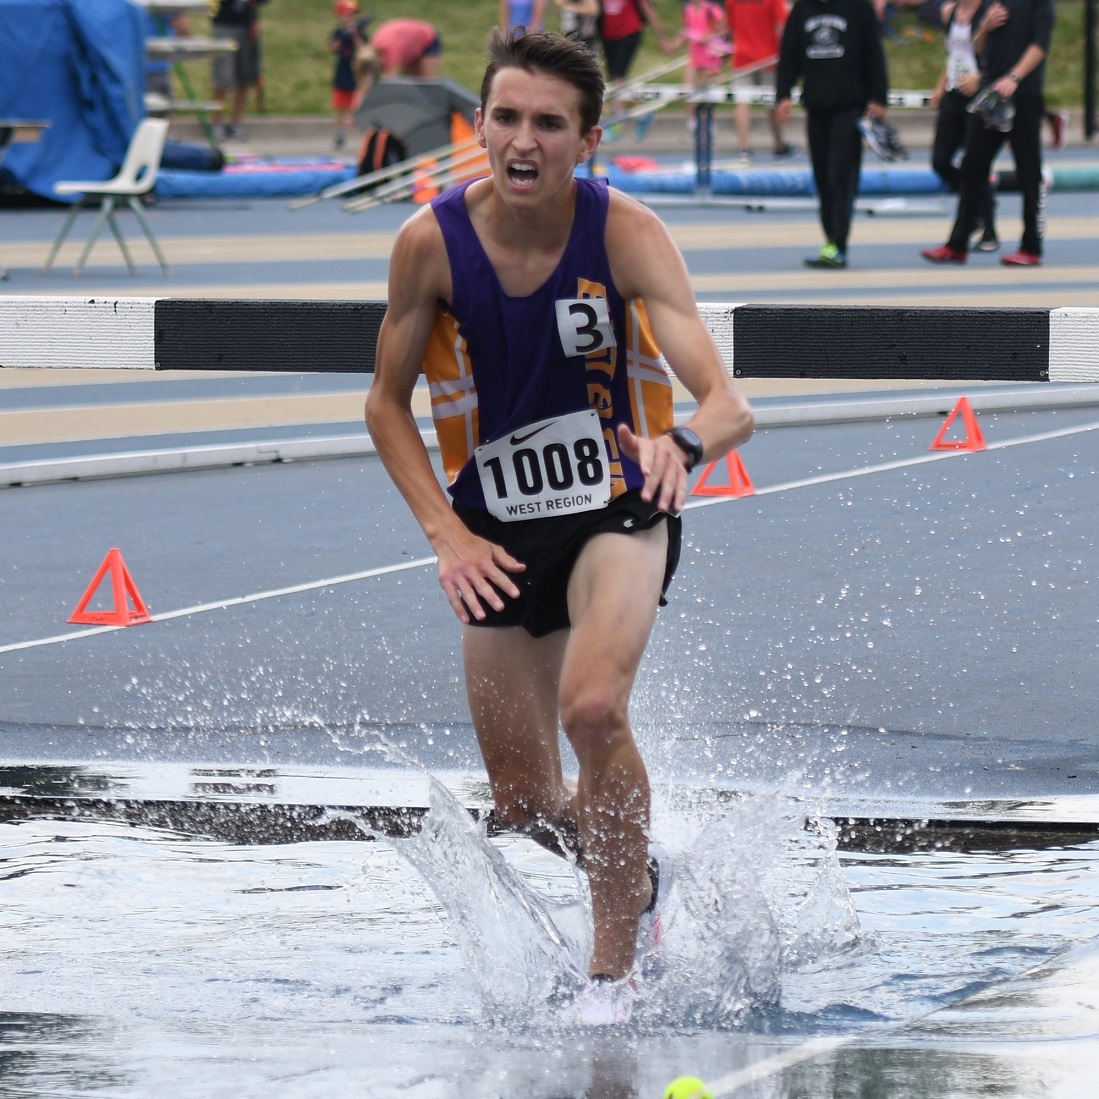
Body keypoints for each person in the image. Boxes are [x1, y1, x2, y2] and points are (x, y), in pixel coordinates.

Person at [364, 27, 753, 1026]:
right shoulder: (429, 242)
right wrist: (447, 536)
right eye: (504, 117)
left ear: (588, 137)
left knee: (592, 710)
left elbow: (723, 400)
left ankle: (610, 974)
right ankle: (644, 877)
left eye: (547, 123)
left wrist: (687, 446)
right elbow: (383, 403)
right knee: (526, 803)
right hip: (498, 527)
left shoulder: (624, 232)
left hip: (623, 503)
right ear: (479, 123)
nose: (521, 141)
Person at [920, 0, 1054, 267]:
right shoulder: (991, 3)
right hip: (991, 95)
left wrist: (1014, 78)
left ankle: (1031, 247)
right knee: (972, 166)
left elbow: (1040, 46)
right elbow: (978, 48)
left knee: (1029, 170)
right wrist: (985, 26)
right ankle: (957, 244)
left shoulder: (1040, 4)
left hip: (1023, 95)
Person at [775, 0, 889, 269]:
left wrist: (879, 96)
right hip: (817, 107)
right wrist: (783, 94)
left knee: (841, 175)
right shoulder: (803, 10)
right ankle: (830, 240)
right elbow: (789, 53)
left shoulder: (858, 8)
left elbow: (874, 51)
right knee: (822, 176)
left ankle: (839, 243)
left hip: (849, 107)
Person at [928, 0, 998, 250]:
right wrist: (940, 86)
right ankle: (975, 207)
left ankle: (988, 228)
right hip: (953, 94)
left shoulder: (988, 11)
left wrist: (980, 79)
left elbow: (996, 55)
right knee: (940, 160)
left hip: (977, 95)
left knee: (974, 164)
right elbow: (955, 53)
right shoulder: (950, 12)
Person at [726, 0, 796, 162]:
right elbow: (781, 25)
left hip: (742, 55)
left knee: (742, 102)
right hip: (768, 56)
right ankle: (778, 143)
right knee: (772, 101)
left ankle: (744, 147)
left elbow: (730, 26)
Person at [600, 0, 669, 139]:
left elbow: (648, 9)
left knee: (617, 77)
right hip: (609, 34)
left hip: (629, 31)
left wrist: (661, 38)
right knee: (615, 80)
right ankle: (643, 114)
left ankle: (616, 121)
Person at [668, 0, 731, 133]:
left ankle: (711, 123)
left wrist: (710, 36)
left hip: (709, 57)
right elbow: (686, 31)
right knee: (688, 89)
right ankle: (693, 121)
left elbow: (724, 26)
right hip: (694, 56)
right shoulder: (688, 9)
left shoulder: (711, 9)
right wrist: (674, 45)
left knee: (708, 92)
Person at [211, 0, 269, 142]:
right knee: (222, 77)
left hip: (247, 25)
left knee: (245, 77)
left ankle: (235, 123)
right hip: (224, 24)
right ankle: (216, 123)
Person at [328, 0, 373, 149]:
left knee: (356, 102)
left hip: (357, 72)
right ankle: (340, 132)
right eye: (348, 15)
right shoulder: (338, 32)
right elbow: (331, 47)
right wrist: (341, 39)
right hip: (342, 70)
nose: (351, 18)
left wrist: (355, 34)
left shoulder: (361, 33)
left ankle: (357, 128)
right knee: (340, 104)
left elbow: (364, 49)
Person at [369, 18, 443, 78]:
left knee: (424, 83)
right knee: (410, 80)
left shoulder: (392, 53)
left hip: (427, 39)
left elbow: (391, 82)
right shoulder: (373, 48)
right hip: (408, 42)